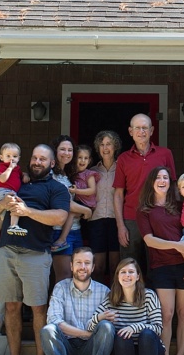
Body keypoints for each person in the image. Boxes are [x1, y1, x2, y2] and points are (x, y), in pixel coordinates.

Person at [0, 144, 70, 355]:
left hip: (36, 254)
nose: (37, 162)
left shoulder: (57, 189)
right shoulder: (15, 181)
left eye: (43, 159)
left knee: (38, 308)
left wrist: (27, 211)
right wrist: (3, 204)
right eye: (34, 158)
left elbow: (61, 217)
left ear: (52, 164)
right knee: (10, 306)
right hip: (7, 251)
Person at [137, 168, 184, 355]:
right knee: (167, 313)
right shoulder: (145, 210)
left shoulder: (181, 205)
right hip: (161, 266)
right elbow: (149, 240)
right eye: (157, 177)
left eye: (165, 177)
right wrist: (176, 246)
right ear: (151, 182)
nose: (162, 180)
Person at [40, 247, 114, 355]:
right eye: (79, 262)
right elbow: (54, 320)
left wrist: (89, 336)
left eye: (87, 263)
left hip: (92, 350)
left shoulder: (104, 292)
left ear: (93, 267)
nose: (83, 267)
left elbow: (109, 323)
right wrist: (84, 333)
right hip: (65, 351)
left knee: (107, 327)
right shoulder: (60, 288)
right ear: (71, 266)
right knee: (48, 330)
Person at [88, 258, 164, 355]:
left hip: (151, 353)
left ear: (138, 276)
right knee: (121, 336)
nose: (127, 275)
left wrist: (135, 327)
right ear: (117, 276)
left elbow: (158, 328)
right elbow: (90, 327)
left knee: (147, 334)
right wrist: (100, 317)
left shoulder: (149, 295)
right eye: (123, 272)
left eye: (131, 272)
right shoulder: (111, 298)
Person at [113, 114, 176, 271]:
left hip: (158, 217)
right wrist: (121, 226)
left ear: (152, 130)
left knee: (158, 266)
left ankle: (155, 296)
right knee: (129, 266)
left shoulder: (165, 154)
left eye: (145, 128)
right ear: (130, 131)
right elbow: (118, 194)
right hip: (131, 219)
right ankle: (131, 297)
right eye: (137, 128)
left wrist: (172, 216)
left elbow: (173, 187)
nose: (141, 131)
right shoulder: (123, 159)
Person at [50, 135, 94, 284]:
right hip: (59, 230)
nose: (66, 153)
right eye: (62, 149)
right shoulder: (51, 174)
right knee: (63, 278)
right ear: (55, 151)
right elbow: (63, 203)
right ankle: (55, 308)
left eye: (70, 150)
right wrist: (86, 211)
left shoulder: (67, 175)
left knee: (76, 279)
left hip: (76, 230)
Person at [88, 130, 121, 286]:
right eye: (101, 144)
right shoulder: (92, 171)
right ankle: (99, 301)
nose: (105, 148)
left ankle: (116, 300)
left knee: (116, 266)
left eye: (109, 144)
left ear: (115, 147)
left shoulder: (122, 169)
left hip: (117, 221)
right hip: (97, 220)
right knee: (98, 267)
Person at [0, 142, 30, 252]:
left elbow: (22, 176)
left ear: (19, 158)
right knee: (16, 204)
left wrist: (25, 175)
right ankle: (14, 226)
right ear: (1, 157)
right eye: (8, 156)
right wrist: (9, 168)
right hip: (4, 192)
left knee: (3, 218)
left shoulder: (17, 169)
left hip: (9, 192)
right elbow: (2, 179)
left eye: (14, 156)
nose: (11, 159)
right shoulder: (3, 167)